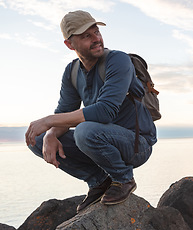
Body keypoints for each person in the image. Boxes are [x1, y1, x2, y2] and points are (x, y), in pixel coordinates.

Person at [25, 10, 157, 212]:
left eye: (96, 32)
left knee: (85, 131)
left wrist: (49, 120)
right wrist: (50, 132)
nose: (97, 39)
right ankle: (98, 181)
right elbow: (64, 112)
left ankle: (124, 179)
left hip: (137, 143)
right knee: (39, 138)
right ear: (69, 44)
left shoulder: (118, 60)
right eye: (87, 36)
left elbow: (105, 112)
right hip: (101, 141)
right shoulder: (72, 71)